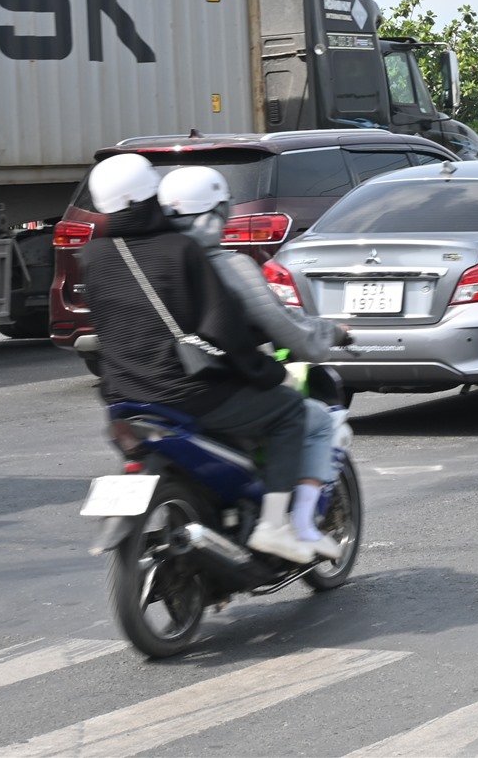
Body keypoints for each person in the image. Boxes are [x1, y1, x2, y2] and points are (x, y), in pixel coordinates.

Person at [77, 154, 317, 564]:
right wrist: (267, 373)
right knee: (290, 411)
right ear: (151, 197)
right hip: (189, 394)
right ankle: (274, 525)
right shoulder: (180, 249)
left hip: (123, 399)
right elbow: (222, 329)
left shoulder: (92, 257)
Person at [157, 166, 351, 559]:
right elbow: (289, 330)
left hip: (146, 388)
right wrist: (331, 333)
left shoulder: (146, 262)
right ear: (217, 215)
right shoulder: (229, 266)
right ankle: (287, 524)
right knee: (307, 417)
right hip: (210, 391)